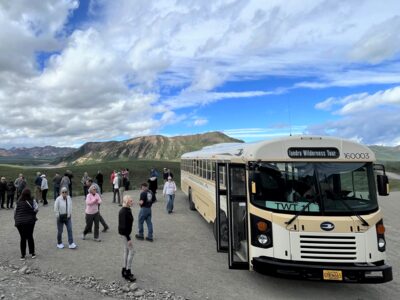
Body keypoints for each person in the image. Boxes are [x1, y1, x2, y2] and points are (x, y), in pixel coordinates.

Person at [14, 188, 38, 260]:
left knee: (23, 238)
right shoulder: (32, 201)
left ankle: (23, 255)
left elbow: (15, 212)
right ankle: (32, 253)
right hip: (30, 221)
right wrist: (33, 213)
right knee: (30, 236)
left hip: (19, 222)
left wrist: (16, 219)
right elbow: (36, 208)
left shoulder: (18, 202)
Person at [118, 195, 136, 282]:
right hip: (125, 235)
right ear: (127, 202)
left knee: (126, 251)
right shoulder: (123, 211)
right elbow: (123, 226)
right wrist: (128, 238)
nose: (132, 202)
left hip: (126, 234)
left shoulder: (127, 210)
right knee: (132, 251)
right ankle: (128, 271)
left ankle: (124, 270)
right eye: (131, 201)